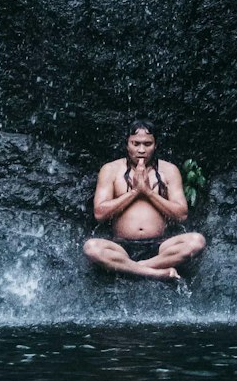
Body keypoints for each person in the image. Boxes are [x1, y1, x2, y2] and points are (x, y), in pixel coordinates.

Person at [83, 121, 206, 283]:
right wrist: (134, 192)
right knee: (92, 248)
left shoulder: (169, 170)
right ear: (127, 144)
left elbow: (181, 215)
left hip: (161, 247)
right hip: (120, 248)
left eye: (147, 144)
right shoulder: (110, 170)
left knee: (197, 241)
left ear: (155, 145)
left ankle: (136, 268)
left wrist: (148, 192)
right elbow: (100, 213)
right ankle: (154, 273)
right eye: (136, 144)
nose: (141, 150)